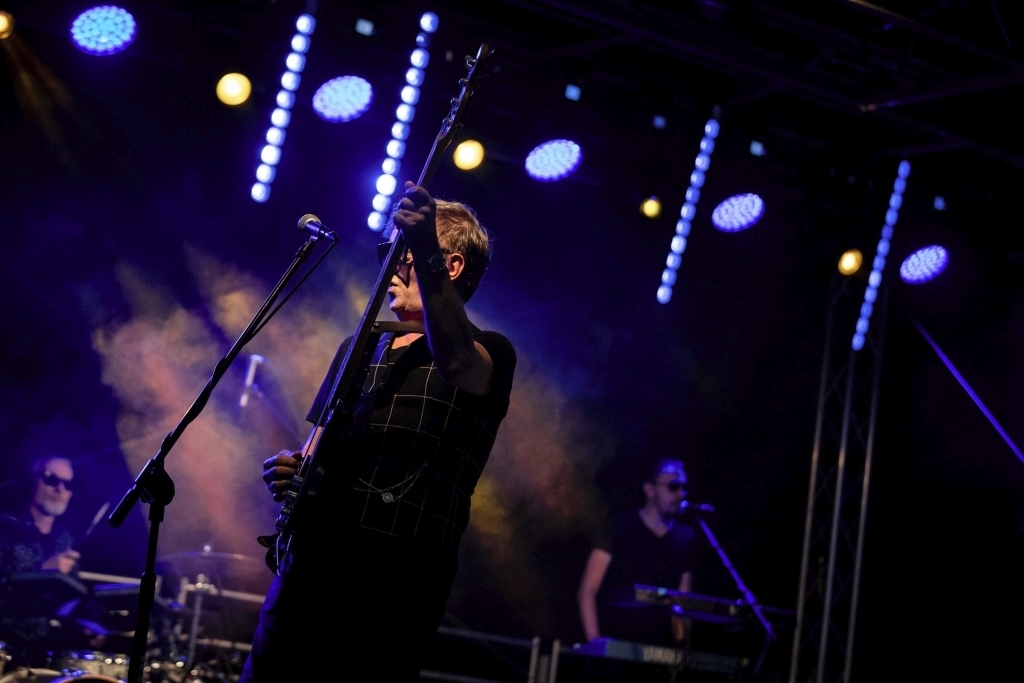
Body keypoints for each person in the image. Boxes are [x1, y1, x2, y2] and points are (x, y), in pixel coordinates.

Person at [242, 183, 517, 682]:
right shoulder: (359, 345)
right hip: (312, 566)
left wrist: (424, 247)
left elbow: (458, 363)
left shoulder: (490, 352)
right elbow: (314, 451)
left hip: (397, 582)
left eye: (401, 254)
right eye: (386, 253)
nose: (388, 267)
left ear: (451, 265)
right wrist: (292, 471)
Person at [577, 457, 701, 646]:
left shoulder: (686, 538)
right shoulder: (619, 528)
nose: (680, 494)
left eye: (684, 488)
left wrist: (681, 652)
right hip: (616, 642)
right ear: (649, 490)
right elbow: (588, 589)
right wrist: (595, 642)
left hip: (659, 648)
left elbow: (682, 601)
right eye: (673, 486)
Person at [0, 456, 81, 665]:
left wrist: (87, 625)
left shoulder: (66, 541)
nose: (60, 489)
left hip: (48, 657)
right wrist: (40, 574)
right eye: (51, 479)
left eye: (68, 484)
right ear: (31, 481)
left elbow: (68, 604)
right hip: (8, 653)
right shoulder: (5, 530)